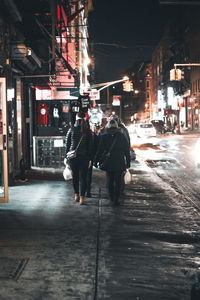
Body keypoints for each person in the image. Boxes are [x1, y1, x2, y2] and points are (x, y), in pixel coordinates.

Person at [95, 119, 130, 206]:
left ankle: (111, 197)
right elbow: (126, 150)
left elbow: (100, 150)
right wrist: (128, 162)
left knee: (110, 180)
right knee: (118, 182)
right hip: (119, 161)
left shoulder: (105, 137)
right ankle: (116, 199)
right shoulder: (122, 136)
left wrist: (96, 161)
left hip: (109, 162)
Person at [65, 112, 93, 205]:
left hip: (73, 157)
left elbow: (67, 144)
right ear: (85, 119)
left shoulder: (71, 129)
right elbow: (90, 147)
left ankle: (76, 195)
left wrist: (66, 156)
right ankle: (82, 197)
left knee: (75, 177)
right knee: (83, 178)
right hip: (84, 157)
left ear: (76, 118)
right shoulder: (88, 131)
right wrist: (90, 159)